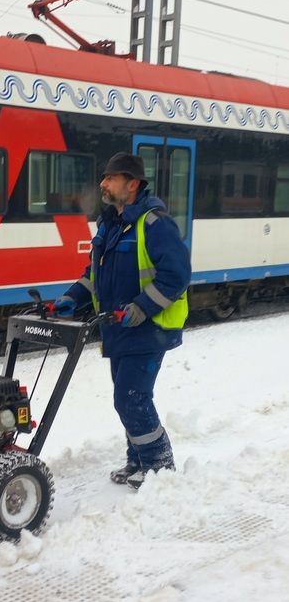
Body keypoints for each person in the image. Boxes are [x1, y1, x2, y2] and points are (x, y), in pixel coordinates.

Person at [53, 152, 191, 490]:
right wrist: (72, 297)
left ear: (131, 184)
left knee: (131, 397)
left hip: (149, 328)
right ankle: (138, 460)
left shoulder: (154, 223)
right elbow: (95, 275)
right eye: (104, 178)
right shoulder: (110, 224)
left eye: (110, 178)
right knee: (127, 395)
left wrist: (143, 307)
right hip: (117, 327)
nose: (103, 183)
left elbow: (177, 275)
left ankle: (159, 465)